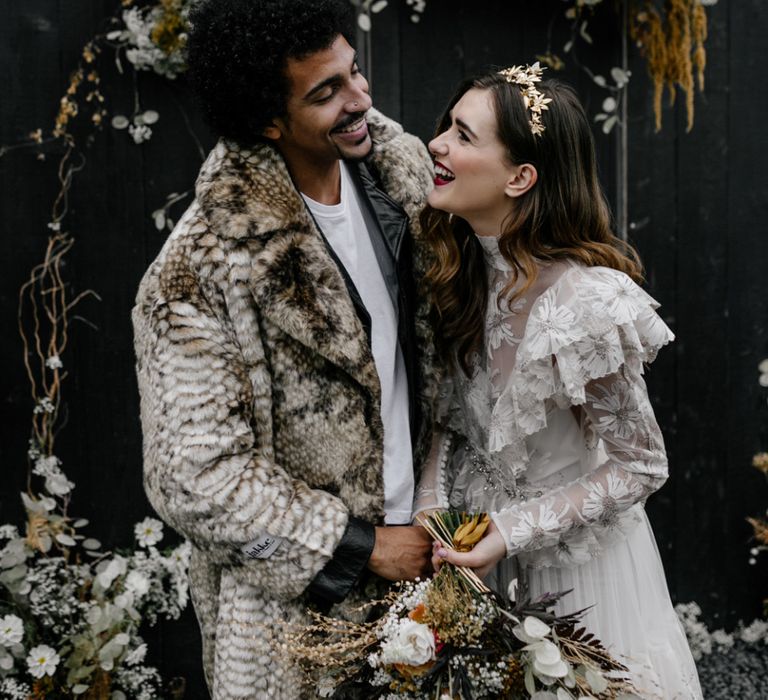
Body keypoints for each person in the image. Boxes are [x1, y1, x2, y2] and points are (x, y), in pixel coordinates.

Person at [131, 0, 436, 696]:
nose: (359, 100)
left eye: (354, 73)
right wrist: (358, 548)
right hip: (295, 627)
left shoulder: (401, 176)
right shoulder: (199, 268)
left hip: (429, 566)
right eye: (325, 93)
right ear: (268, 121)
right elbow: (193, 477)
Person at [413, 65, 703, 698]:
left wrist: (511, 533)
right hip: (467, 559)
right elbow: (450, 421)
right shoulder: (457, 271)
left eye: (463, 136)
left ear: (520, 177)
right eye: (446, 128)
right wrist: (431, 508)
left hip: (575, 571)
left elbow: (641, 466)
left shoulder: (586, 307)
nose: (436, 145)